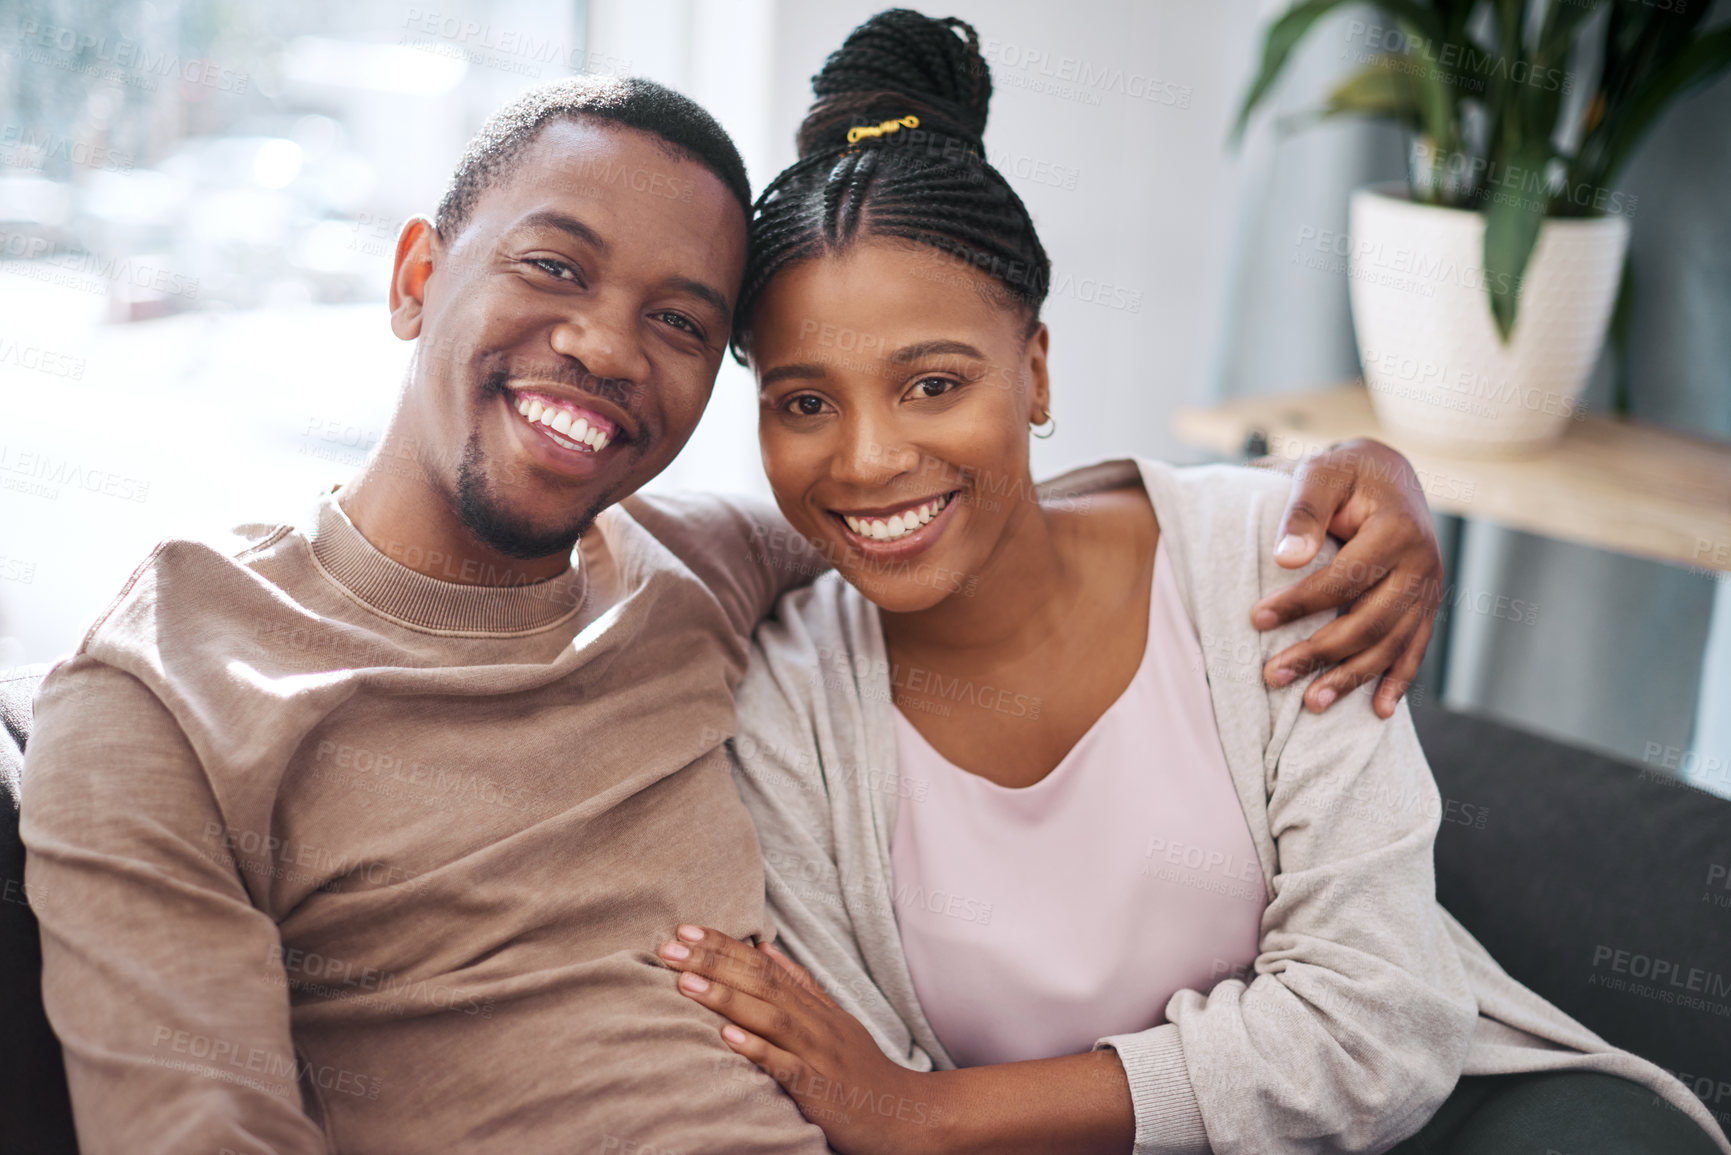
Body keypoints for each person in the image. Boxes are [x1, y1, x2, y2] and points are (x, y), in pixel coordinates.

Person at [21, 74, 1443, 1154]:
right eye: (554, 265)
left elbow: (937, 502)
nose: (601, 344)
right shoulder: (166, 688)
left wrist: (1349, 488)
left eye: (683, 322)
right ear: (413, 276)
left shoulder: (689, 572)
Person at [651, 11, 1731, 1155]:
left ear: (1037, 371)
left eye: (933, 384)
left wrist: (937, 1113)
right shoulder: (785, 714)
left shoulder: (1272, 562)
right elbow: (854, 1089)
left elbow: (1380, 1027)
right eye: (804, 403)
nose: (868, 459)